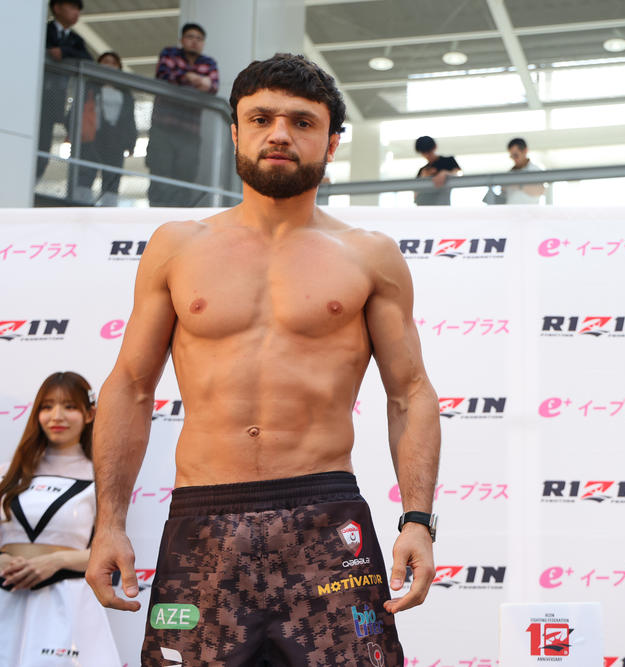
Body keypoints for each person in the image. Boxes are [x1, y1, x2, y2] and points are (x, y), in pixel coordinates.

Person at [85, 54, 441, 666]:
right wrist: (108, 523)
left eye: (302, 122)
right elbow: (132, 386)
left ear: (332, 142)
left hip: (325, 518)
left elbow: (409, 393)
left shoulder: (369, 256)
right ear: (235, 132)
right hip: (204, 519)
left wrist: (418, 521)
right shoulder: (177, 247)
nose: (279, 134)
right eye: (261, 119)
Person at [0, 372, 122, 666]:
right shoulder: (7, 473)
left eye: (69, 406)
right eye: (47, 406)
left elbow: (112, 554)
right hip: (6, 599)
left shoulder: (103, 476)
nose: (57, 416)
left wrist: (56, 561)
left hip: (67, 604)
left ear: (89, 414)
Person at [146, 22, 219, 207]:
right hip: (163, 127)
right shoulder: (169, 53)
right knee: (160, 171)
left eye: (199, 38)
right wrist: (191, 78)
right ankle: (157, 211)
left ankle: (181, 213)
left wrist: (185, 78)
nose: (194, 41)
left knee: (186, 175)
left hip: (190, 132)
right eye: (190, 37)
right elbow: (164, 75)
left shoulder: (209, 62)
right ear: (182, 39)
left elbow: (213, 87)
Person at [38, 0, 92, 181]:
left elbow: (88, 59)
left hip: (55, 100)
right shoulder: (43, 30)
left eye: (78, 9)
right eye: (72, 7)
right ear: (57, 8)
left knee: (43, 146)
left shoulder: (76, 40)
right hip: (36, 95)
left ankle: (35, 175)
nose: (76, 12)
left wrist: (64, 51)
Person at [76, 51, 139, 206]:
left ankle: (108, 208)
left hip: (115, 139)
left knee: (112, 177)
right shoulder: (89, 86)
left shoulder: (125, 93)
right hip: (92, 136)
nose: (109, 65)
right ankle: (80, 206)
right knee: (86, 172)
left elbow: (129, 118)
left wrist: (131, 142)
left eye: (113, 63)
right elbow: (77, 110)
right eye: (105, 62)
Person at [414, 135, 460, 206]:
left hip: (442, 205)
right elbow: (415, 195)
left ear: (435, 147)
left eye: (428, 151)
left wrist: (446, 173)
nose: (427, 155)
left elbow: (459, 175)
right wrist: (424, 178)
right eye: (423, 153)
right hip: (424, 206)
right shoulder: (423, 170)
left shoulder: (448, 161)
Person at [501, 137, 545, 205]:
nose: (514, 159)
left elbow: (540, 191)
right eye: (511, 156)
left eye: (516, 155)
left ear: (525, 151)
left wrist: (518, 184)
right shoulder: (509, 173)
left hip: (529, 210)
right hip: (510, 210)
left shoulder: (535, 170)